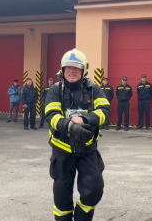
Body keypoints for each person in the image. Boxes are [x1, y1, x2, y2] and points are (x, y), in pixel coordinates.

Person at [45, 48, 110, 221]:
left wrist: (84, 119)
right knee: (62, 194)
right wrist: (70, 127)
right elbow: (51, 115)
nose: (72, 71)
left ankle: (82, 216)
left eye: (76, 68)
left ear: (84, 70)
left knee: (94, 189)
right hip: (62, 150)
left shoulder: (93, 89)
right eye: (68, 67)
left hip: (88, 150)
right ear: (62, 70)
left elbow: (105, 111)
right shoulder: (55, 90)